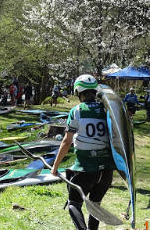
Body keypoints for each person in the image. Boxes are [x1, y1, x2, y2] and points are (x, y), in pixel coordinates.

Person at [51, 74, 115, 230]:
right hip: (106, 171)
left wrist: (55, 167)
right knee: (95, 206)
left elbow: (67, 141)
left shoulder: (76, 111)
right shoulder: (106, 109)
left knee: (74, 203)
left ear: (78, 91)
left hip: (86, 169)